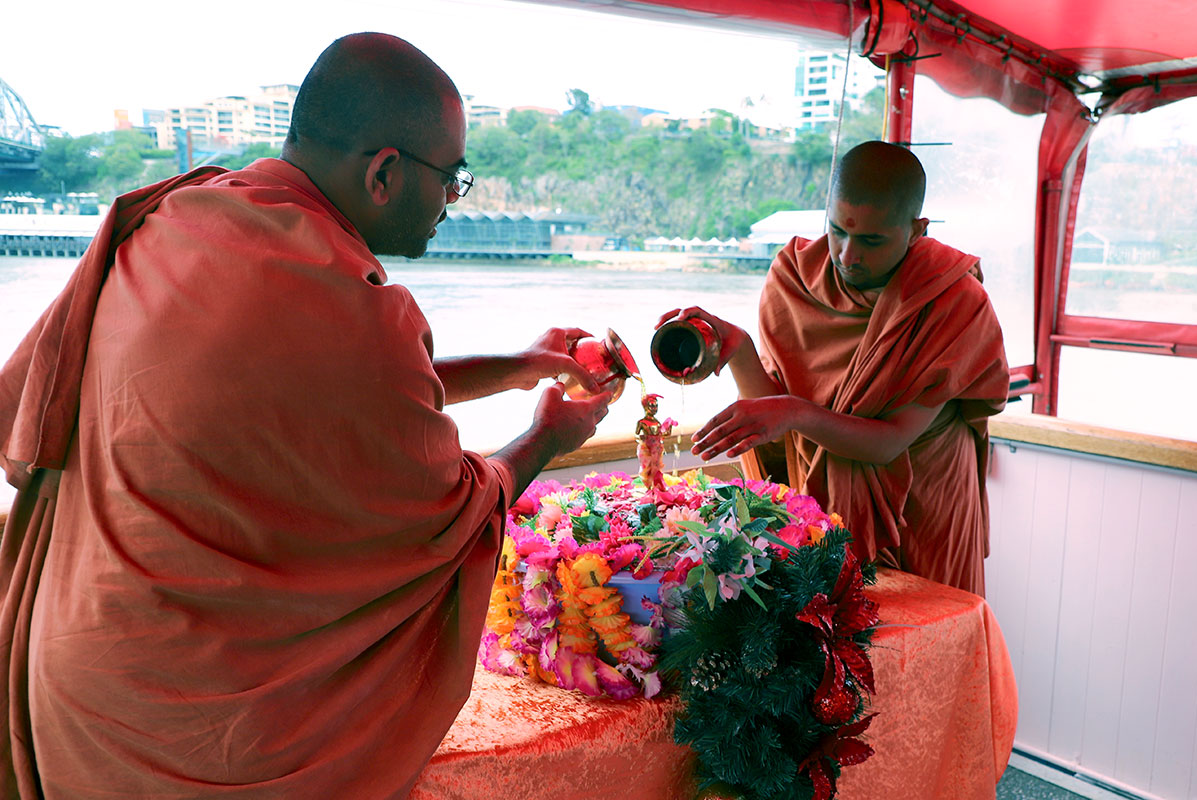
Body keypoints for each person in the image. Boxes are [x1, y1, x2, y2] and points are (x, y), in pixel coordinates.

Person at [0, 33, 612, 799]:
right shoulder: (356, 307)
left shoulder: (173, 220)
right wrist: (548, 437)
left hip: (74, 693)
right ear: (384, 173)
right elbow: (449, 512)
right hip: (202, 736)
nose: (452, 203)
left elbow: (333, 397)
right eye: (452, 179)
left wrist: (519, 366)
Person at [658, 141, 1009, 596]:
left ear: (916, 230)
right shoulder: (795, 278)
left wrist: (795, 411)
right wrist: (739, 350)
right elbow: (778, 419)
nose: (846, 255)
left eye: (871, 241)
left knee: (929, 629)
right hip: (826, 510)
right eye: (837, 230)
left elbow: (888, 442)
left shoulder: (953, 301)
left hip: (926, 505)